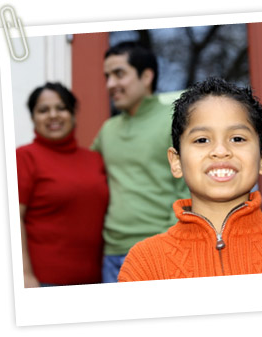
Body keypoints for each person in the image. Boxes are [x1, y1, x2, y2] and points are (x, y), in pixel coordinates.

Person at [118, 77, 262, 282]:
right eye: (202, 140)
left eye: (237, 139)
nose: (220, 151)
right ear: (176, 162)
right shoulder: (145, 262)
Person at [91, 41, 189, 283]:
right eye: (107, 76)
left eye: (119, 74)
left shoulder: (175, 122)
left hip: (160, 250)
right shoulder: (107, 130)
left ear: (146, 76)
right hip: (112, 255)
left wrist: (168, 241)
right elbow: (83, 177)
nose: (110, 84)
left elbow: (190, 187)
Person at [17, 82, 109, 287]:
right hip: (44, 282)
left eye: (61, 108)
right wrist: (24, 275)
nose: (53, 115)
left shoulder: (94, 159)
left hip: (97, 279)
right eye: (43, 110)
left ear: (73, 114)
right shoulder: (24, 157)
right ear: (33, 118)